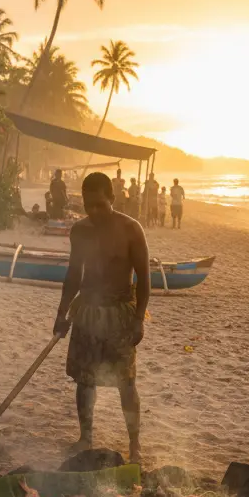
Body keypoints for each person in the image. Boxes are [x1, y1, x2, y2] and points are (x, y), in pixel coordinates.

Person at [53, 172, 150, 462]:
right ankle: (85, 438)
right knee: (85, 380)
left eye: (100, 205)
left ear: (113, 199)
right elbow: (73, 275)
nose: (94, 211)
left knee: (126, 381)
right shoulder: (80, 231)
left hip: (120, 313)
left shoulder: (131, 229)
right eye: (88, 205)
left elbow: (144, 280)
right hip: (87, 313)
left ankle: (135, 444)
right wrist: (61, 313)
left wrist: (138, 319)